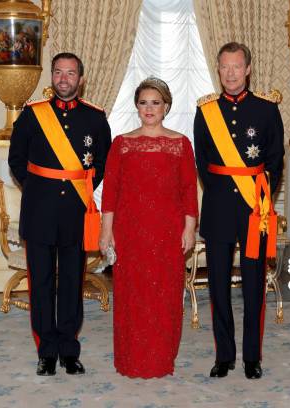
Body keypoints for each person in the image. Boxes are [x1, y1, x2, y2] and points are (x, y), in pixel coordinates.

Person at [8, 52, 111, 376]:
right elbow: (16, 160)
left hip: (75, 214)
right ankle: (46, 351)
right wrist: (39, 188)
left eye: (70, 73)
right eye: (58, 72)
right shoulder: (32, 115)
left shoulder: (95, 118)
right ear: (51, 77)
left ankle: (69, 350)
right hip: (39, 213)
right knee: (39, 284)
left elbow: (103, 163)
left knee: (71, 282)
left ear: (81, 79)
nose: (64, 78)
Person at [194, 42, 284, 379]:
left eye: (237, 66)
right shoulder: (205, 112)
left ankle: (251, 357)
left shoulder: (266, 109)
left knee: (253, 284)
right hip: (218, 208)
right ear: (218, 69)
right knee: (217, 286)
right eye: (224, 67)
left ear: (248, 69)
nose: (230, 73)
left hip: (254, 209)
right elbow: (203, 162)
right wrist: (220, 192)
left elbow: (274, 160)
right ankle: (224, 355)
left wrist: (261, 197)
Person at [99, 77, 198, 378]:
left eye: (155, 102)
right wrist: (106, 232)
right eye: (144, 103)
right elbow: (111, 192)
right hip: (130, 233)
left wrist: (189, 229)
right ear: (137, 107)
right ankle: (131, 359)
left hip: (168, 232)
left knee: (164, 297)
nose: (149, 108)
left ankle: (161, 359)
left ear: (166, 106)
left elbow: (189, 192)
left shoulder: (181, 144)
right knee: (133, 296)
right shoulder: (122, 145)